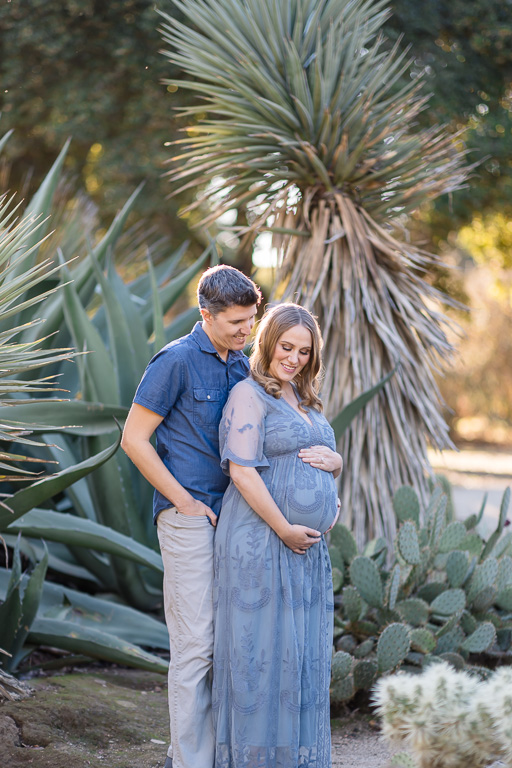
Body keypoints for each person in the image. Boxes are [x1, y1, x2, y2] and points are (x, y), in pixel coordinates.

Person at [121, 264, 267, 768]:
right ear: (206, 315)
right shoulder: (175, 361)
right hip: (189, 520)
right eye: (236, 322)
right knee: (195, 646)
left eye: (251, 320)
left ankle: (198, 754)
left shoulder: (242, 364)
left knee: (226, 644)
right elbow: (133, 439)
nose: (246, 331)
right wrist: (183, 502)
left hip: (237, 521)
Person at [212, 303, 343, 768]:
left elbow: (317, 460)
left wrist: (336, 467)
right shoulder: (249, 394)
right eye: (286, 347)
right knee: (261, 657)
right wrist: (285, 528)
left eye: (304, 352)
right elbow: (242, 472)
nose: (294, 358)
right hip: (261, 540)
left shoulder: (304, 400)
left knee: (299, 656)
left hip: (303, 550)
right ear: (267, 342)